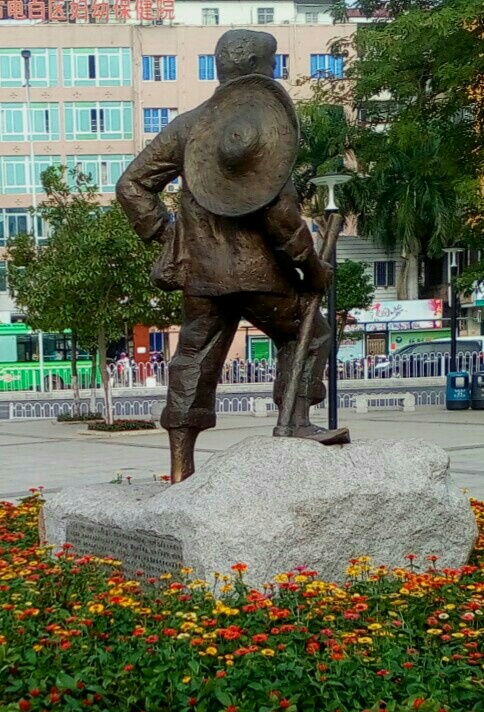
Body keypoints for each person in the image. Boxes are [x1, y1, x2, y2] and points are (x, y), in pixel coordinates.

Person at [117, 30, 335, 481]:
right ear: (256, 66)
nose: (274, 70)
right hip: (259, 276)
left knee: (192, 359)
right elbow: (280, 215)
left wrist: (169, 236)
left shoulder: (188, 126)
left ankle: (181, 465)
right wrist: (313, 268)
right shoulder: (263, 126)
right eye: (272, 63)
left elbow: (131, 184)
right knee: (310, 334)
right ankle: (296, 422)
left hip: (202, 277)